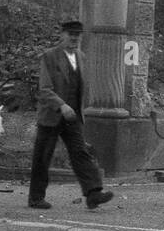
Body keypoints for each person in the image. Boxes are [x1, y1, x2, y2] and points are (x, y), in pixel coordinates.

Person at [28, 20, 115, 211]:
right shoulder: (49, 57)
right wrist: (62, 105)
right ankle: (35, 198)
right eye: (71, 35)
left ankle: (93, 194)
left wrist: (74, 108)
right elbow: (44, 89)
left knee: (80, 153)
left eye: (78, 35)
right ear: (62, 35)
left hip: (73, 117)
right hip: (51, 115)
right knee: (42, 157)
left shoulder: (81, 57)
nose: (74, 38)